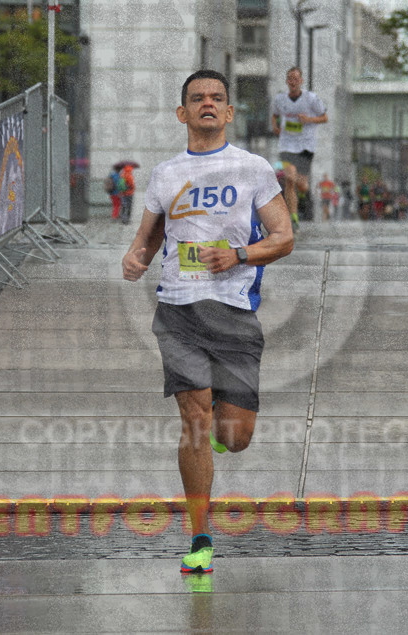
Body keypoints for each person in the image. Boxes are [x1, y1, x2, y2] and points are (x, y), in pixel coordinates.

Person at [122, 69, 293, 573]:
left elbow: (284, 238)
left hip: (235, 312)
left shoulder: (254, 168)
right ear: (183, 112)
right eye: (198, 98)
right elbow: (148, 237)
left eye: (217, 98)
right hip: (178, 308)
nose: (208, 104)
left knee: (234, 438)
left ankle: (225, 407)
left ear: (230, 112)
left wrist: (239, 254)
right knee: (193, 422)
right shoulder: (166, 174)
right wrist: (135, 257)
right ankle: (200, 537)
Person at [270, 66, 327, 231]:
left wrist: (308, 119)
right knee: (289, 179)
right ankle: (293, 218)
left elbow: (324, 117)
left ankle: (302, 194)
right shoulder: (280, 99)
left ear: (301, 81)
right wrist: (275, 126)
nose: (293, 82)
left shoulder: (311, 99)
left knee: (302, 185)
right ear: (287, 81)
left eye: (296, 78)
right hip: (286, 145)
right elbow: (274, 115)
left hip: (305, 146)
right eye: (290, 78)